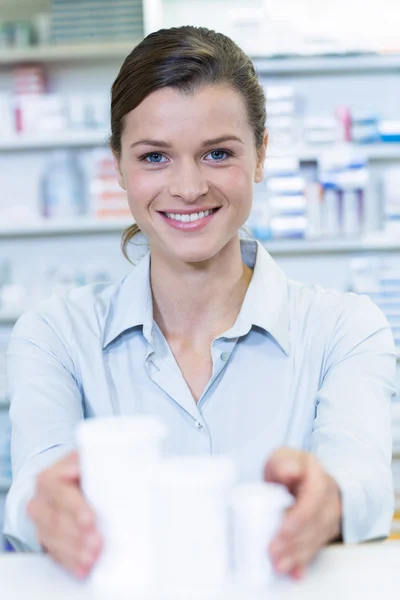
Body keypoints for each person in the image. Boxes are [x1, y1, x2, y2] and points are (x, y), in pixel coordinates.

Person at [4, 26, 396, 582]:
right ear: (118, 164)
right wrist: (46, 511)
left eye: (217, 153)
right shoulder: (55, 336)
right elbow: (35, 483)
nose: (188, 187)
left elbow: (361, 473)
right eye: (155, 157)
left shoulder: (344, 330)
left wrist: (328, 499)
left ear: (261, 155)